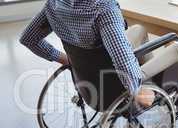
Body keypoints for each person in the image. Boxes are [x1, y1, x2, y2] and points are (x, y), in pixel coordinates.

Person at [19, 0, 156, 108]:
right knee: (176, 48)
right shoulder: (104, 10)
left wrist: (66, 59)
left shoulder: (54, 4)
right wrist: (137, 90)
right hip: (113, 89)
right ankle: (152, 84)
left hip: (87, 83)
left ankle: (147, 78)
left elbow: (28, 39)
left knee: (139, 30)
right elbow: (122, 58)